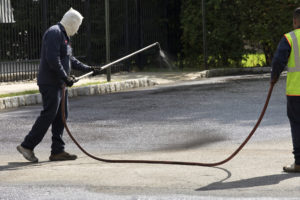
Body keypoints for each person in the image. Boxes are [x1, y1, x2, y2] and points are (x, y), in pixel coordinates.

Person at [17, 8, 99, 162]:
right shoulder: (54, 33)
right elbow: (52, 59)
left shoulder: (64, 36)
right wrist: (65, 77)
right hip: (50, 83)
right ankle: (27, 146)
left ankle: (57, 151)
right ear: (72, 23)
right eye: (78, 25)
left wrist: (88, 68)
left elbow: (70, 59)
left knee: (62, 116)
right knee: (49, 114)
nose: (78, 29)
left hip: (60, 83)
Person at [271, 7, 300, 172]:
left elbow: (278, 61)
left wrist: (273, 78)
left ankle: (299, 163)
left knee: (297, 125)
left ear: (295, 21)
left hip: (296, 92)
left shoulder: (290, 38)